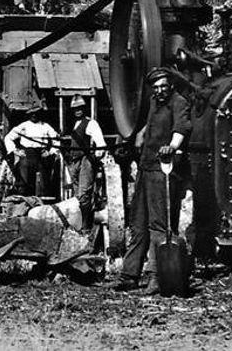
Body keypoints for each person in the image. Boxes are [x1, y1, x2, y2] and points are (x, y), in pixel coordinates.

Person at [112, 67, 191, 294]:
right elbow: (152, 122)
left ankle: (157, 277)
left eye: (163, 86)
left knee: (159, 226)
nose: (159, 91)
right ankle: (129, 275)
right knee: (138, 225)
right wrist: (141, 133)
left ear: (171, 85)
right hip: (145, 169)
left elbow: (181, 128)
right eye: (155, 87)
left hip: (163, 170)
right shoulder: (155, 101)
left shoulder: (179, 102)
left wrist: (172, 146)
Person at [65, 95, 106, 230]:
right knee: (77, 195)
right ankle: (78, 225)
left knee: (84, 194)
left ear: (84, 109)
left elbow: (100, 142)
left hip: (85, 161)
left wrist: (97, 157)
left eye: (80, 108)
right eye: (75, 109)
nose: (78, 111)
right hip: (73, 162)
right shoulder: (71, 124)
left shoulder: (90, 123)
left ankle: (86, 226)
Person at [3, 103, 60, 197]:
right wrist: (15, 150)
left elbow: (56, 140)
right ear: (28, 115)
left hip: (41, 156)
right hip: (27, 155)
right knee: (24, 184)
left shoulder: (45, 126)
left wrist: (50, 151)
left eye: (36, 113)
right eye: (31, 113)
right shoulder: (23, 126)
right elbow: (8, 138)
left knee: (43, 184)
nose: (34, 115)